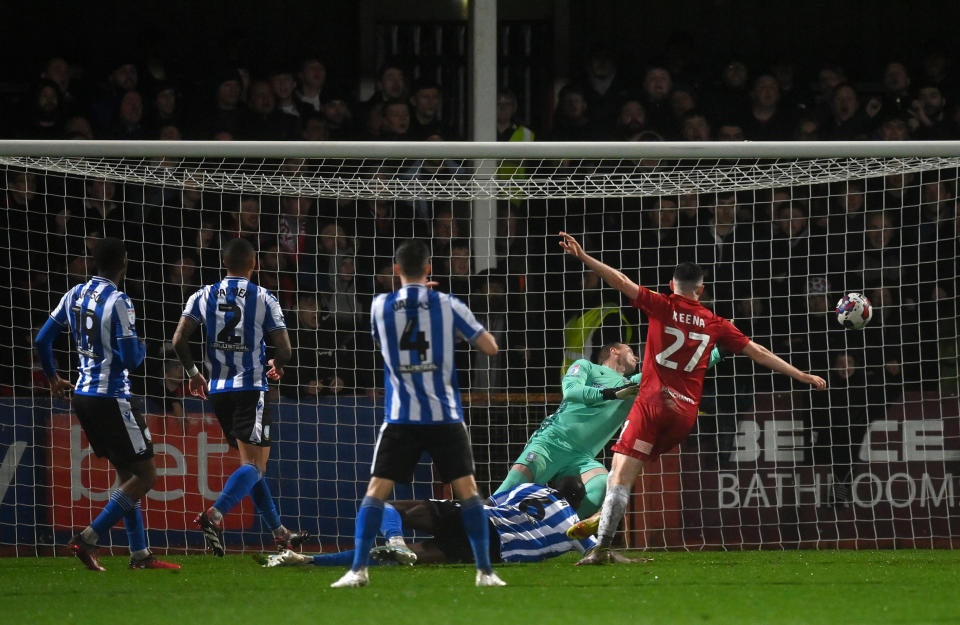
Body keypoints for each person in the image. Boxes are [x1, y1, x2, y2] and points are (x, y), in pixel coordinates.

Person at [556, 232, 826, 563]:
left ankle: (602, 548)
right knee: (624, 473)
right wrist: (801, 375)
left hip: (654, 404)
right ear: (701, 289)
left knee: (620, 475)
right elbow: (757, 351)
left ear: (672, 284)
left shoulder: (661, 304)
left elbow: (621, 281)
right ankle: (604, 521)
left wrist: (584, 257)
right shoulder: (714, 322)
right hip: (684, 416)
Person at [331, 239, 506, 588]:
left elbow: (385, 343)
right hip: (444, 415)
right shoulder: (448, 304)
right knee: (468, 491)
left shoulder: (379, 306)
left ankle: (357, 571)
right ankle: (485, 572)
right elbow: (490, 347)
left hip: (401, 417)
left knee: (376, 491)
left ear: (396, 270)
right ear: (429, 269)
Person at [33, 237, 179, 571]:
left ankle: (140, 555)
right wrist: (143, 348)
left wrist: (54, 378)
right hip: (112, 397)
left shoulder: (75, 294)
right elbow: (130, 359)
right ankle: (88, 537)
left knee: (127, 473)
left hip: (84, 397)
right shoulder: (119, 301)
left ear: (94, 263)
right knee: (147, 476)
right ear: (124, 264)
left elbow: (43, 339)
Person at [171, 238, 307, 556]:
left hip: (217, 391)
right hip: (251, 387)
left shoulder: (203, 295)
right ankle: (214, 515)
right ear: (254, 263)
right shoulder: (263, 297)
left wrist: (194, 375)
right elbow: (285, 349)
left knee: (250, 466)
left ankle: (280, 532)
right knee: (257, 467)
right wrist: (277, 364)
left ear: (224, 263)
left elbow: (179, 340)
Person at [496, 341, 723, 518]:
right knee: (503, 498)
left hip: (581, 457)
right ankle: (472, 531)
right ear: (614, 351)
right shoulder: (586, 366)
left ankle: (554, 533)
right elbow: (572, 392)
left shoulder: (634, 384)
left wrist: (720, 350)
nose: (636, 355)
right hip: (551, 442)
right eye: (630, 350)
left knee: (603, 486)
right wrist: (612, 394)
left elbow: (680, 372)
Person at [261, 482, 625, 568]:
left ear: (554, 485)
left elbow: (488, 503)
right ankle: (307, 562)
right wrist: (626, 558)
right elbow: (597, 551)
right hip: (491, 551)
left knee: (388, 505)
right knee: (414, 557)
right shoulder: (576, 524)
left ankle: (397, 538)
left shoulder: (530, 488)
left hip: (481, 519)